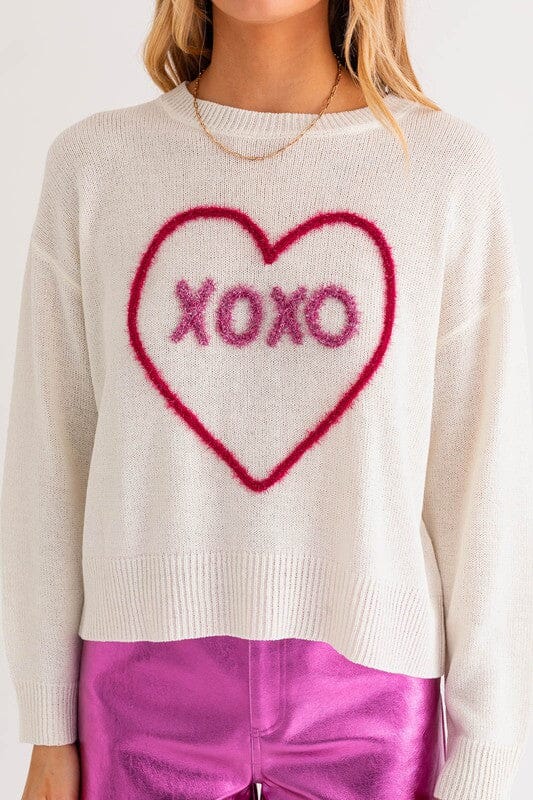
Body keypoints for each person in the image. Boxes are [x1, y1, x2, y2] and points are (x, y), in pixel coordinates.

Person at [1, 1, 532, 798]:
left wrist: (485, 755)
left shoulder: (444, 168)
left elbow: (481, 475)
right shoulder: (96, 164)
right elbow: (50, 454)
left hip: (370, 695)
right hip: (138, 690)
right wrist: (48, 727)